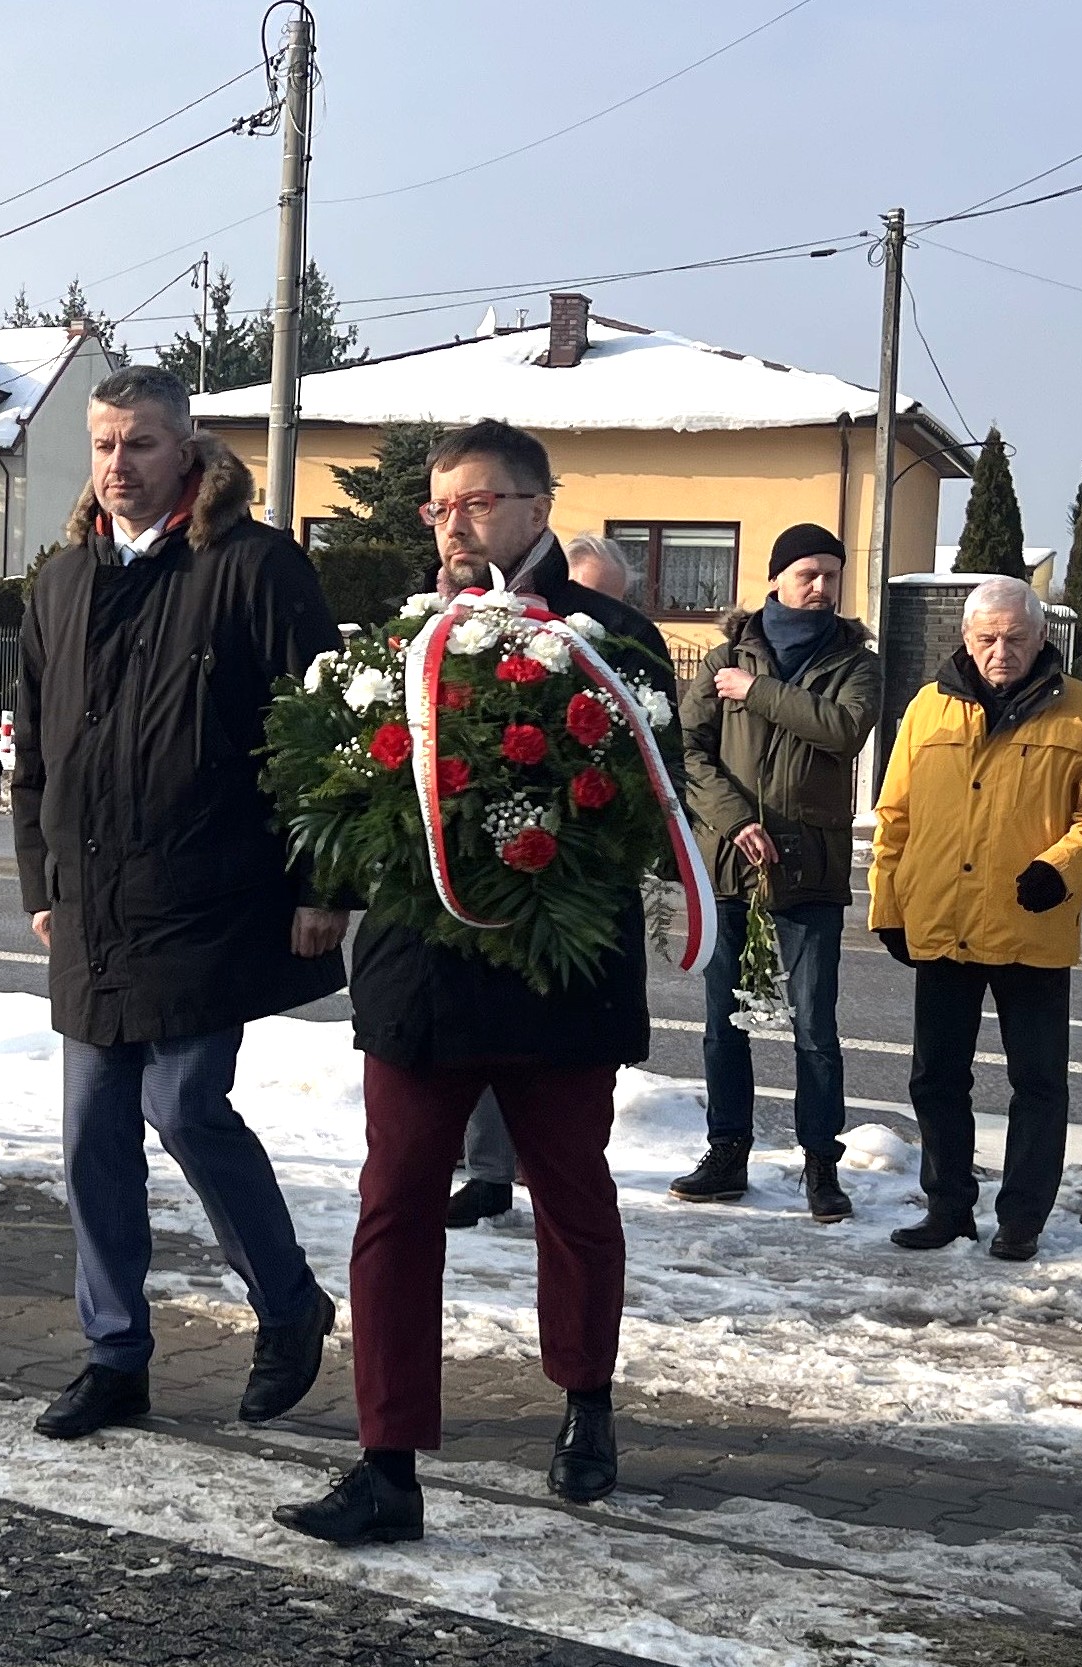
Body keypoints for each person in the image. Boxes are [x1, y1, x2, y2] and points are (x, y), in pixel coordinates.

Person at [279, 419, 680, 1545]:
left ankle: (585, 1403)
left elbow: (652, 805)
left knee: (572, 1196)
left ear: (538, 508)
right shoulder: (395, 646)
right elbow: (343, 780)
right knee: (394, 1205)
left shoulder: (610, 641)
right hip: (422, 978)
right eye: (438, 505)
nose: (453, 524)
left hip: (560, 980)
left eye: (477, 502)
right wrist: (325, 885)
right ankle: (386, 1458)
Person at [12, 366, 343, 1442]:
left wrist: (320, 884)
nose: (118, 466)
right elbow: (34, 762)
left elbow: (321, 742)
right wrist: (38, 886)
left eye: (141, 444)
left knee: (184, 1106)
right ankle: (115, 1354)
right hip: (91, 907)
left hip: (211, 896)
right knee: (87, 1137)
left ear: (189, 451)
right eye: (105, 445)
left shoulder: (252, 568)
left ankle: (287, 1302)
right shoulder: (62, 582)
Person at [869, 576, 1082, 1264]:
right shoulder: (926, 710)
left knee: (1038, 1083)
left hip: (1030, 924)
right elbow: (894, 816)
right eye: (987, 637)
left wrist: (1062, 866)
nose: (1001, 650)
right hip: (944, 922)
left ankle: (1021, 1218)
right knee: (936, 1078)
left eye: (1016, 637)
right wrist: (889, 905)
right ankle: (948, 1208)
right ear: (965, 637)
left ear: (1043, 637)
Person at [670, 523, 880, 1221]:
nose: (820, 588)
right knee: (723, 1019)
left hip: (810, 868)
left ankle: (822, 1162)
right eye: (807, 574)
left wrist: (755, 692)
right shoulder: (726, 654)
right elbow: (687, 750)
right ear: (777, 579)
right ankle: (727, 1149)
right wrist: (735, 820)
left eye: (829, 574)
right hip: (732, 863)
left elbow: (844, 729)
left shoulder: (856, 660)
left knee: (814, 1023)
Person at [446, 531, 642, 1230]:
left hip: (579, 896)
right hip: (491, 885)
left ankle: (535, 1163)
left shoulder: (624, 646)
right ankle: (492, 1171)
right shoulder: (482, 633)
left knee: (570, 1127)